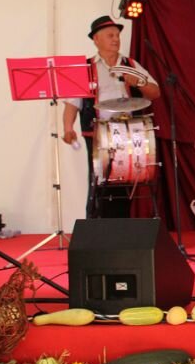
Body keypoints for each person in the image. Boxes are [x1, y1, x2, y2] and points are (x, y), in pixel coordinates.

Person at [62, 15, 160, 218]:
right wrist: (68, 128)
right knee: (99, 180)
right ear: (96, 39)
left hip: (129, 131)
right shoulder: (86, 68)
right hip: (97, 133)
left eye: (117, 35)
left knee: (125, 179)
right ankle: (96, 223)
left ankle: (120, 223)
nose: (116, 39)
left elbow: (155, 92)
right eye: (110, 35)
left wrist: (139, 83)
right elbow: (72, 103)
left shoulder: (130, 64)